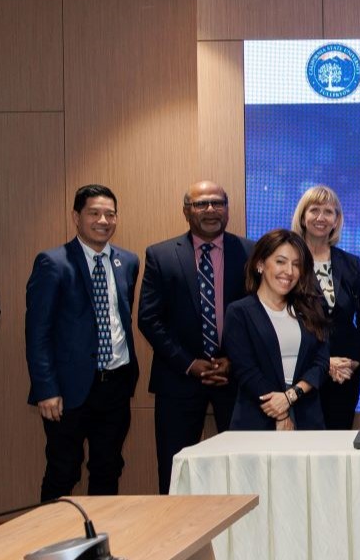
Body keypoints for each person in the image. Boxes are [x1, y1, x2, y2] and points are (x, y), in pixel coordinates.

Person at [138, 180, 255, 494]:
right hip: (178, 379)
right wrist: (189, 363)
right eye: (201, 204)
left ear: (227, 209)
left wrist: (233, 360)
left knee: (243, 470)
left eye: (218, 203)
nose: (211, 210)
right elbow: (149, 319)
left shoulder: (251, 251)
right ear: (186, 211)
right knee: (176, 470)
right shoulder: (160, 255)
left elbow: (259, 315)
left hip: (237, 379)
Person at [25, 184, 139, 501]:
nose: (103, 220)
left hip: (115, 385)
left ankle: (99, 543)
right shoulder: (53, 263)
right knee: (64, 471)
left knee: (108, 468)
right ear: (77, 217)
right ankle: (50, 542)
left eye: (110, 214)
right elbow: (38, 332)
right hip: (69, 389)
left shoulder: (128, 262)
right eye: (94, 213)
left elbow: (121, 319)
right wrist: (46, 388)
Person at [224, 229, 331, 430]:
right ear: (260, 264)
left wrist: (291, 396)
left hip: (307, 416)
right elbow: (246, 370)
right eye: (281, 262)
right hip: (258, 416)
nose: (289, 272)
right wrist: (281, 412)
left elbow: (321, 361)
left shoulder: (311, 308)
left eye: (296, 264)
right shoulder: (239, 312)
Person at [292, 185, 360, 430]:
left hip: (344, 376)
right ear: (302, 216)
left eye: (329, 211)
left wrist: (355, 363)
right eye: (314, 210)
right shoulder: (289, 261)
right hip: (301, 372)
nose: (321, 217)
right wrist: (323, 363)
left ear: (337, 220)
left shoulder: (350, 264)